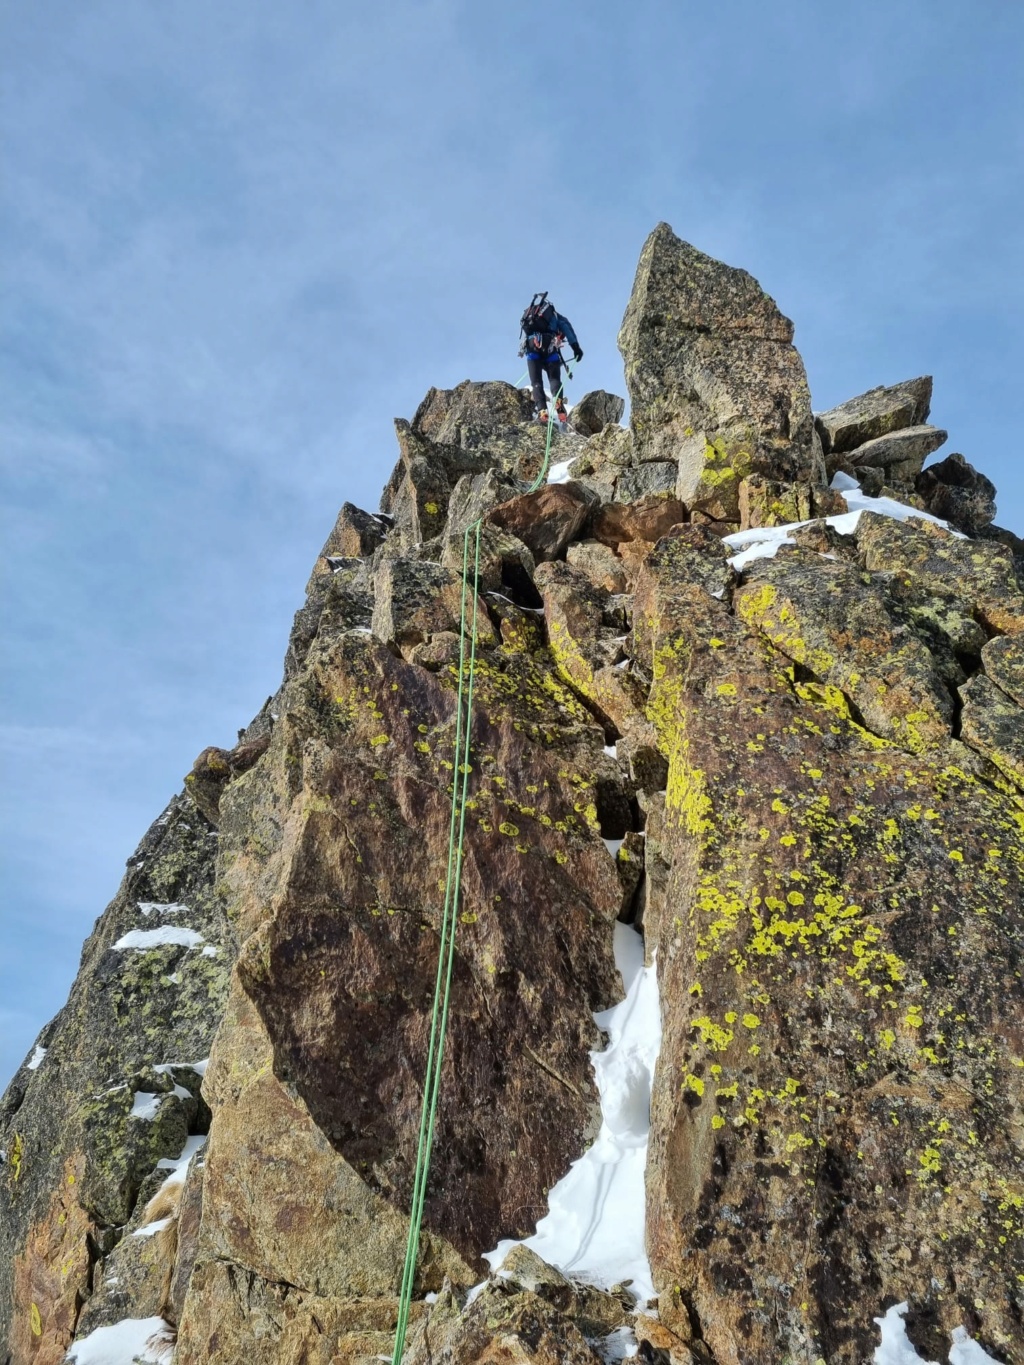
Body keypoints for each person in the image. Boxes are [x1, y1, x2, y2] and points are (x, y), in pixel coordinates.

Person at [518, 292, 583, 424]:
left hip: (532, 347)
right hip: (550, 348)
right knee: (554, 378)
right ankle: (558, 401)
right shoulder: (557, 317)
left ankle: (542, 410)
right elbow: (567, 330)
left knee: (536, 381)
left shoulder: (532, 318)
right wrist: (576, 348)